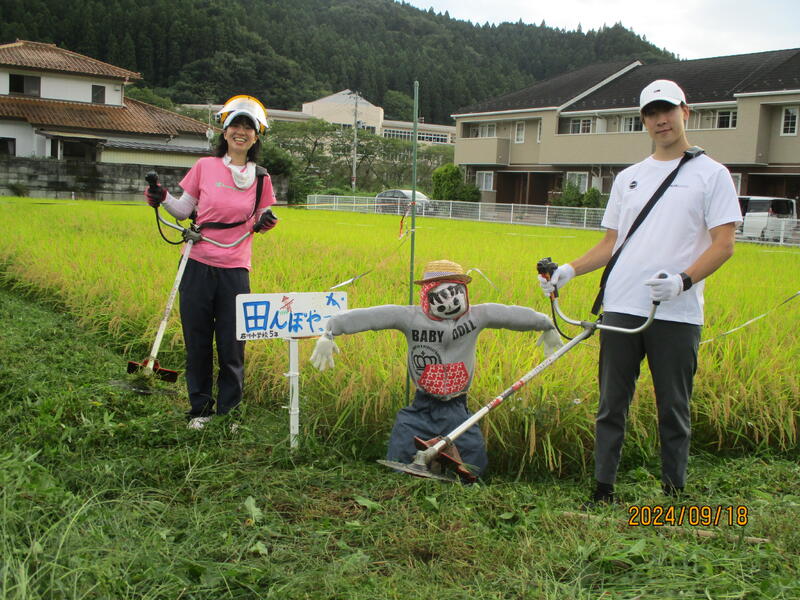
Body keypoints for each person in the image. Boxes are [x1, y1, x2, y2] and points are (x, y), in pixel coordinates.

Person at [539, 79, 742, 504]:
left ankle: (673, 493)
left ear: (685, 111)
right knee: (611, 404)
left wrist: (682, 281)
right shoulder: (629, 178)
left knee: (674, 406)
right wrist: (569, 270)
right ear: (644, 121)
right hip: (621, 306)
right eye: (651, 113)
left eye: (667, 110)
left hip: (677, 311)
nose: (660, 119)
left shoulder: (712, 174)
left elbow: (724, 245)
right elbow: (611, 243)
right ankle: (603, 490)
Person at [310, 259, 562, 480]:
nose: (449, 301)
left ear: (463, 290)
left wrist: (546, 325)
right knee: (400, 457)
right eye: (441, 294)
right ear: (427, 293)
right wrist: (329, 332)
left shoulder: (476, 316)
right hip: (421, 406)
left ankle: (453, 478)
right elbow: (372, 316)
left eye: (454, 292)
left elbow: (509, 314)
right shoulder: (410, 318)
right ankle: (410, 483)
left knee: (474, 465)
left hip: (457, 407)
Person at [144, 95, 278, 430]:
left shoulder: (261, 177)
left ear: (257, 136)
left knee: (232, 344)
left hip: (235, 269)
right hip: (197, 264)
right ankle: (200, 410)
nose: (241, 132)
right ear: (225, 131)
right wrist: (162, 197)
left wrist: (266, 222)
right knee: (198, 340)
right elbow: (183, 210)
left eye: (248, 127)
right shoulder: (205, 167)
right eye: (235, 125)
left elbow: (261, 217)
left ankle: (229, 413)